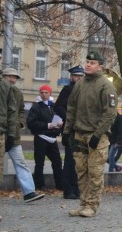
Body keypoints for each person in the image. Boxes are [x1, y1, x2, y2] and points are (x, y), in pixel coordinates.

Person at [63, 51, 118, 217]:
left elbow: (110, 113)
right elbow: (71, 109)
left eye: (92, 63)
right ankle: (83, 203)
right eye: (87, 62)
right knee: (81, 170)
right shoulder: (80, 84)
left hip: (97, 136)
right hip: (80, 133)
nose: (88, 65)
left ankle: (92, 206)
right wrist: (67, 131)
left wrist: (98, 134)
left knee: (95, 172)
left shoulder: (106, 85)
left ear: (100, 66)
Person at [1, 67, 45, 203]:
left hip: (13, 135)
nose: (13, 79)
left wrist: (19, 123)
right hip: (2, 132)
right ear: (4, 77)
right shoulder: (2, 90)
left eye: (15, 77)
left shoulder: (18, 93)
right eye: (10, 77)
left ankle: (29, 192)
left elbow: (20, 111)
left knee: (21, 163)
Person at [26, 85, 65, 192]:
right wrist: (47, 126)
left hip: (52, 138)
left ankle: (60, 184)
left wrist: (59, 126)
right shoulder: (36, 107)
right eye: (42, 92)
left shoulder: (54, 106)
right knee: (39, 163)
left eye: (46, 92)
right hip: (41, 138)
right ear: (39, 94)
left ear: (50, 94)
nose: (44, 94)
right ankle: (39, 185)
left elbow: (60, 120)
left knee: (57, 162)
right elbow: (31, 123)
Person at [55, 65, 83, 200]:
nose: (78, 78)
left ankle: (76, 189)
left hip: (82, 129)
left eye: (80, 76)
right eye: (76, 76)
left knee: (80, 161)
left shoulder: (84, 90)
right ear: (71, 77)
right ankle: (68, 190)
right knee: (70, 161)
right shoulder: (68, 89)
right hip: (71, 130)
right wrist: (69, 118)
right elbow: (58, 106)